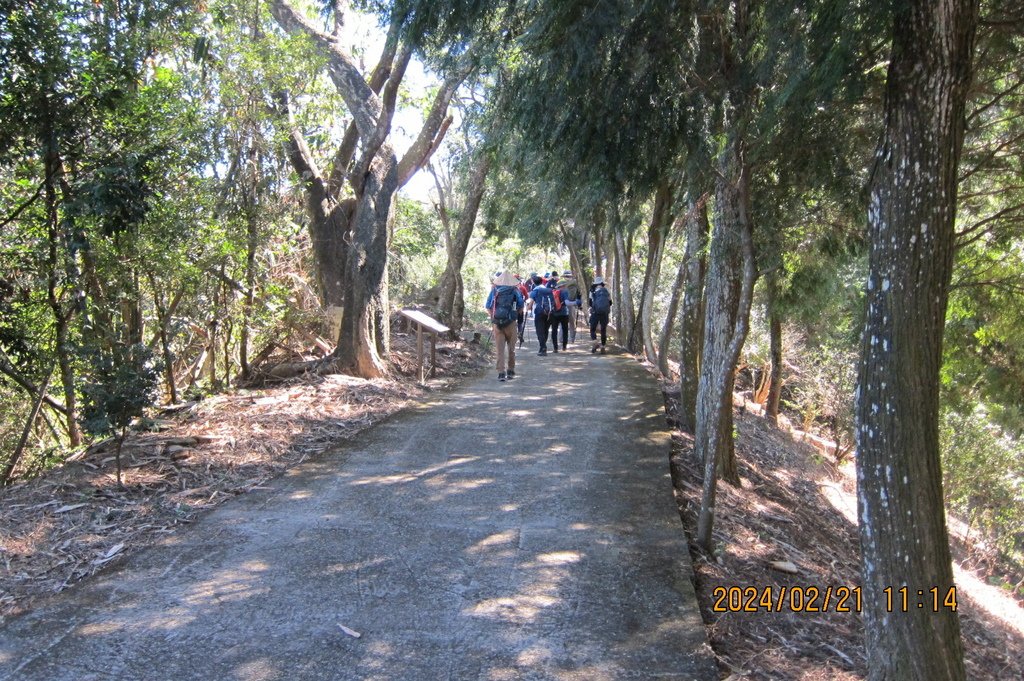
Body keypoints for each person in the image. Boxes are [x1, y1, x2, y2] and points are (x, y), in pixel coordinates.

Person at [485, 271, 525, 381]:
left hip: (497, 323)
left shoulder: (494, 290)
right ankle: (511, 370)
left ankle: (501, 372)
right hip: (511, 322)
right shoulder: (515, 291)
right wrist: (514, 315)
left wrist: (494, 316)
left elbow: (488, 306)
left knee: (500, 349)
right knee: (511, 349)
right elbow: (521, 306)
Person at [526, 275, 556, 355]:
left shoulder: (535, 290)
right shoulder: (547, 290)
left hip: (539, 313)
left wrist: (527, 308)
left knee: (540, 331)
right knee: (545, 330)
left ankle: (543, 348)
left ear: (533, 282)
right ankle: (543, 347)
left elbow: (530, 304)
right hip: (549, 312)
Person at [589, 276, 612, 353]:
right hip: (604, 313)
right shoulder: (606, 291)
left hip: (595, 312)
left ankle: (595, 342)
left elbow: (590, 303)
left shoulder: (592, 291)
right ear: (602, 284)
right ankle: (603, 346)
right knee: (603, 330)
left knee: (592, 329)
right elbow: (610, 303)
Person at [550, 280, 572, 351]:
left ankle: (555, 348)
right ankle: (564, 346)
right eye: (564, 285)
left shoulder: (553, 292)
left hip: (554, 313)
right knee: (565, 330)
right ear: (562, 286)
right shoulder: (565, 291)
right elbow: (567, 302)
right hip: (564, 313)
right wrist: (576, 302)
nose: (565, 286)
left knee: (554, 330)